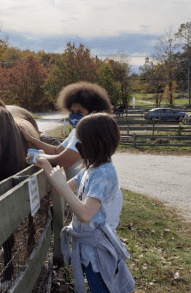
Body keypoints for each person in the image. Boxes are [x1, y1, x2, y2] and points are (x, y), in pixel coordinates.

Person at [28, 113, 135, 293]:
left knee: (102, 287)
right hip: (87, 249)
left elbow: (85, 214)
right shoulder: (91, 169)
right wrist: (46, 166)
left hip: (98, 252)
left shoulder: (104, 174)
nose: (77, 147)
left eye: (81, 141)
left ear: (95, 143)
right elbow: (65, 189)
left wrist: (62, 184)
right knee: (96, 286)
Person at [21, 81, 112, 179]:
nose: (74, 115)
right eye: (72, 112)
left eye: (79, 112)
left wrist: (38, 157)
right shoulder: (76, 132)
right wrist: (31, 139)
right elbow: (56, 151)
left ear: (93, 113)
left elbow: (64, 160)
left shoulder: (89, 134)